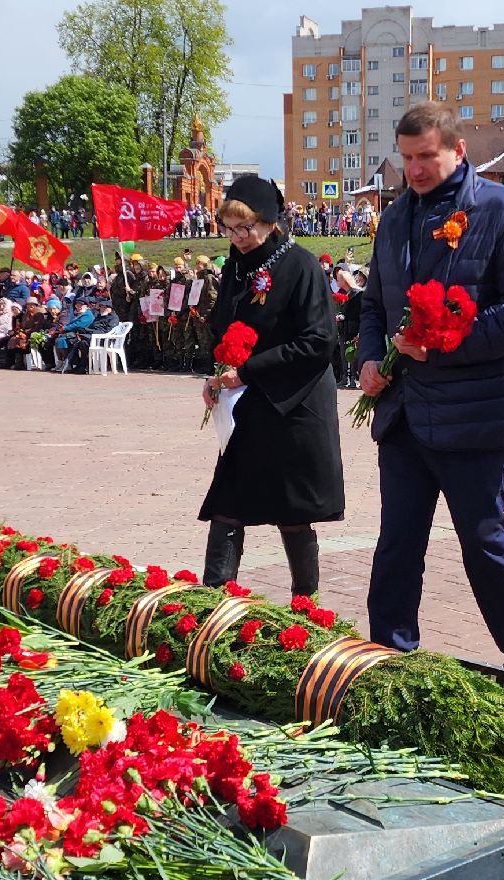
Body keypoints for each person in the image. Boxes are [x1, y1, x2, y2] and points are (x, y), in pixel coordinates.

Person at [354, 102, 504, 673]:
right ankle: (389, 652)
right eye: (406, 158)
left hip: (474, 412)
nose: (413, 170)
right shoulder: (393, 219)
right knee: (398, 543)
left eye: (426, 157)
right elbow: (373, 305)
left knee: (483, 540)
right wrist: (370, 358)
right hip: (404, 412)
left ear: (458, 151)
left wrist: (444, 342)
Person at [197, 176, 346, 596]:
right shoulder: (235, 266)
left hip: (295, 402)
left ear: (270, 222)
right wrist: (219, 372)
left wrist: (248, 370)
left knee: (293, 509)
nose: (239, 237)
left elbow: (319, 341)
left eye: (247, 228)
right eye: (230, 228)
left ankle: (307, 605)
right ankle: (213, 602)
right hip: (247, 401)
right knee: (228, 502)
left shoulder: (300, 265)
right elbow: (222, 327)